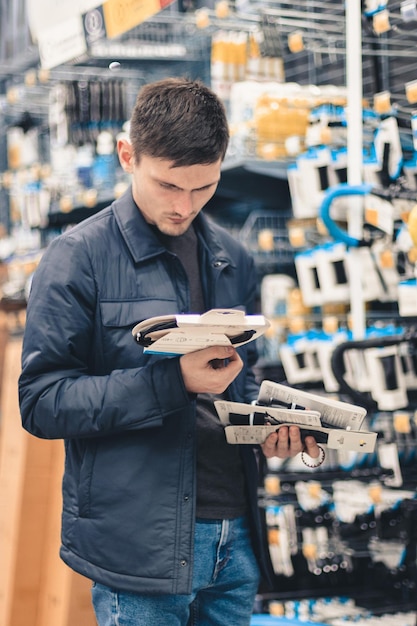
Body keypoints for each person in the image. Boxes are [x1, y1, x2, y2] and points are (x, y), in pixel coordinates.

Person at [18, 77, 320, 626]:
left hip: (235, 536)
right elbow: (42, 402)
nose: (184, 206)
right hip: (142, 547)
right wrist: (172, 382)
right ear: (127, 156)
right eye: (168, 186)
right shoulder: (76, 259)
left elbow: (238, 382)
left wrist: (270, 430)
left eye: (203, 188)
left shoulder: (232, 257)